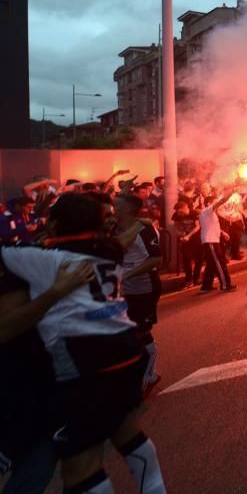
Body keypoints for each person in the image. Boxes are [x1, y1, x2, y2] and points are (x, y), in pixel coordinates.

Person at [0, 193, 167, 494]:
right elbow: (123, 240)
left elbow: (7, 252)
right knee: (127, 434)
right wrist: (141, 224)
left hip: (85, 361)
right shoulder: (108, 250)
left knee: (80, 465)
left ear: (52, 223)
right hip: (127, 351)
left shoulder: (42, 259)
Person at [0, 248, 95, 494]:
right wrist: (56, 292)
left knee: (40, 467)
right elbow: (5, 328)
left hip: (36, 395)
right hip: (16, 396)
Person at [113, 194, 164, 397]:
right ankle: (133, 373)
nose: (113, 208)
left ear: (127, 209)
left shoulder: (144, 229)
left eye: (117, 205)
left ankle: (149, 375)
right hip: (123, 288)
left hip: (145, 287)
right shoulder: (114, 228)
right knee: (126, 330)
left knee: (141, 330)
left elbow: (156, 259)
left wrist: (128, 274)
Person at [199, 188, 237, 293]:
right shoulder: (207, 210)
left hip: (212, 240)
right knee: (220, 262)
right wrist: (231, 192)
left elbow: (211, 226)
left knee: (211, 264)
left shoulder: (211, 213)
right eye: (215, 201)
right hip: (210, 241)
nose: (217, 203)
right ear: (209, 203)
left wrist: (222, 233)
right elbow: (221, 201)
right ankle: (225, 285)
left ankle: (206, 286)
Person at [171, 200, 201, 287]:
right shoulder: (176, 216)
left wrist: (189, 236)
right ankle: (189, 279)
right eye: (177, 212)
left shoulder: (194, 213)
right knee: (186, 259)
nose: (179, 214)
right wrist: (182, 236)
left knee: (198, 258)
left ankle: (197, 277)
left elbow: (197, 226)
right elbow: (177, 227)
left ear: (186, 208)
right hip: (185, 239)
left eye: (180, 211)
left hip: (196, 237)